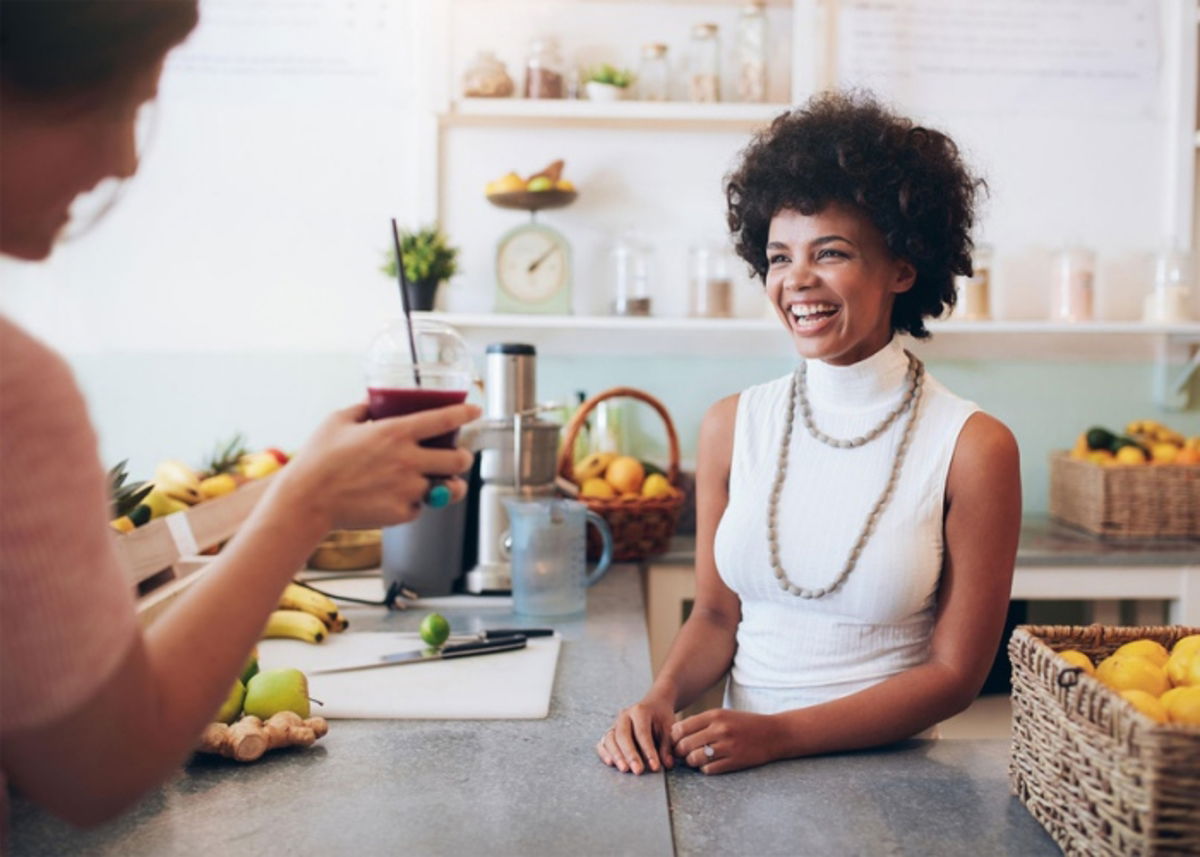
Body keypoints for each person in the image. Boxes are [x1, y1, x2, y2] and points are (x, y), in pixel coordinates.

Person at [0, 0, 478, 828]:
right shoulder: (18, 394)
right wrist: (304, 504)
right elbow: (96, 767)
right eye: (115, 106)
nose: (122, 158)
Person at [597, 92, 1021, 775]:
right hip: (739, 772)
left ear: (903, 269)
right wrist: (661, 696)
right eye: (779, 255)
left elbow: (955, 675)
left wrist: (780, 734)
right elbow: (713, 613)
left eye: (831, 252)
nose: (797, 280)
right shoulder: (732, 425)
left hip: (894, 789)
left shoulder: (973, 447)